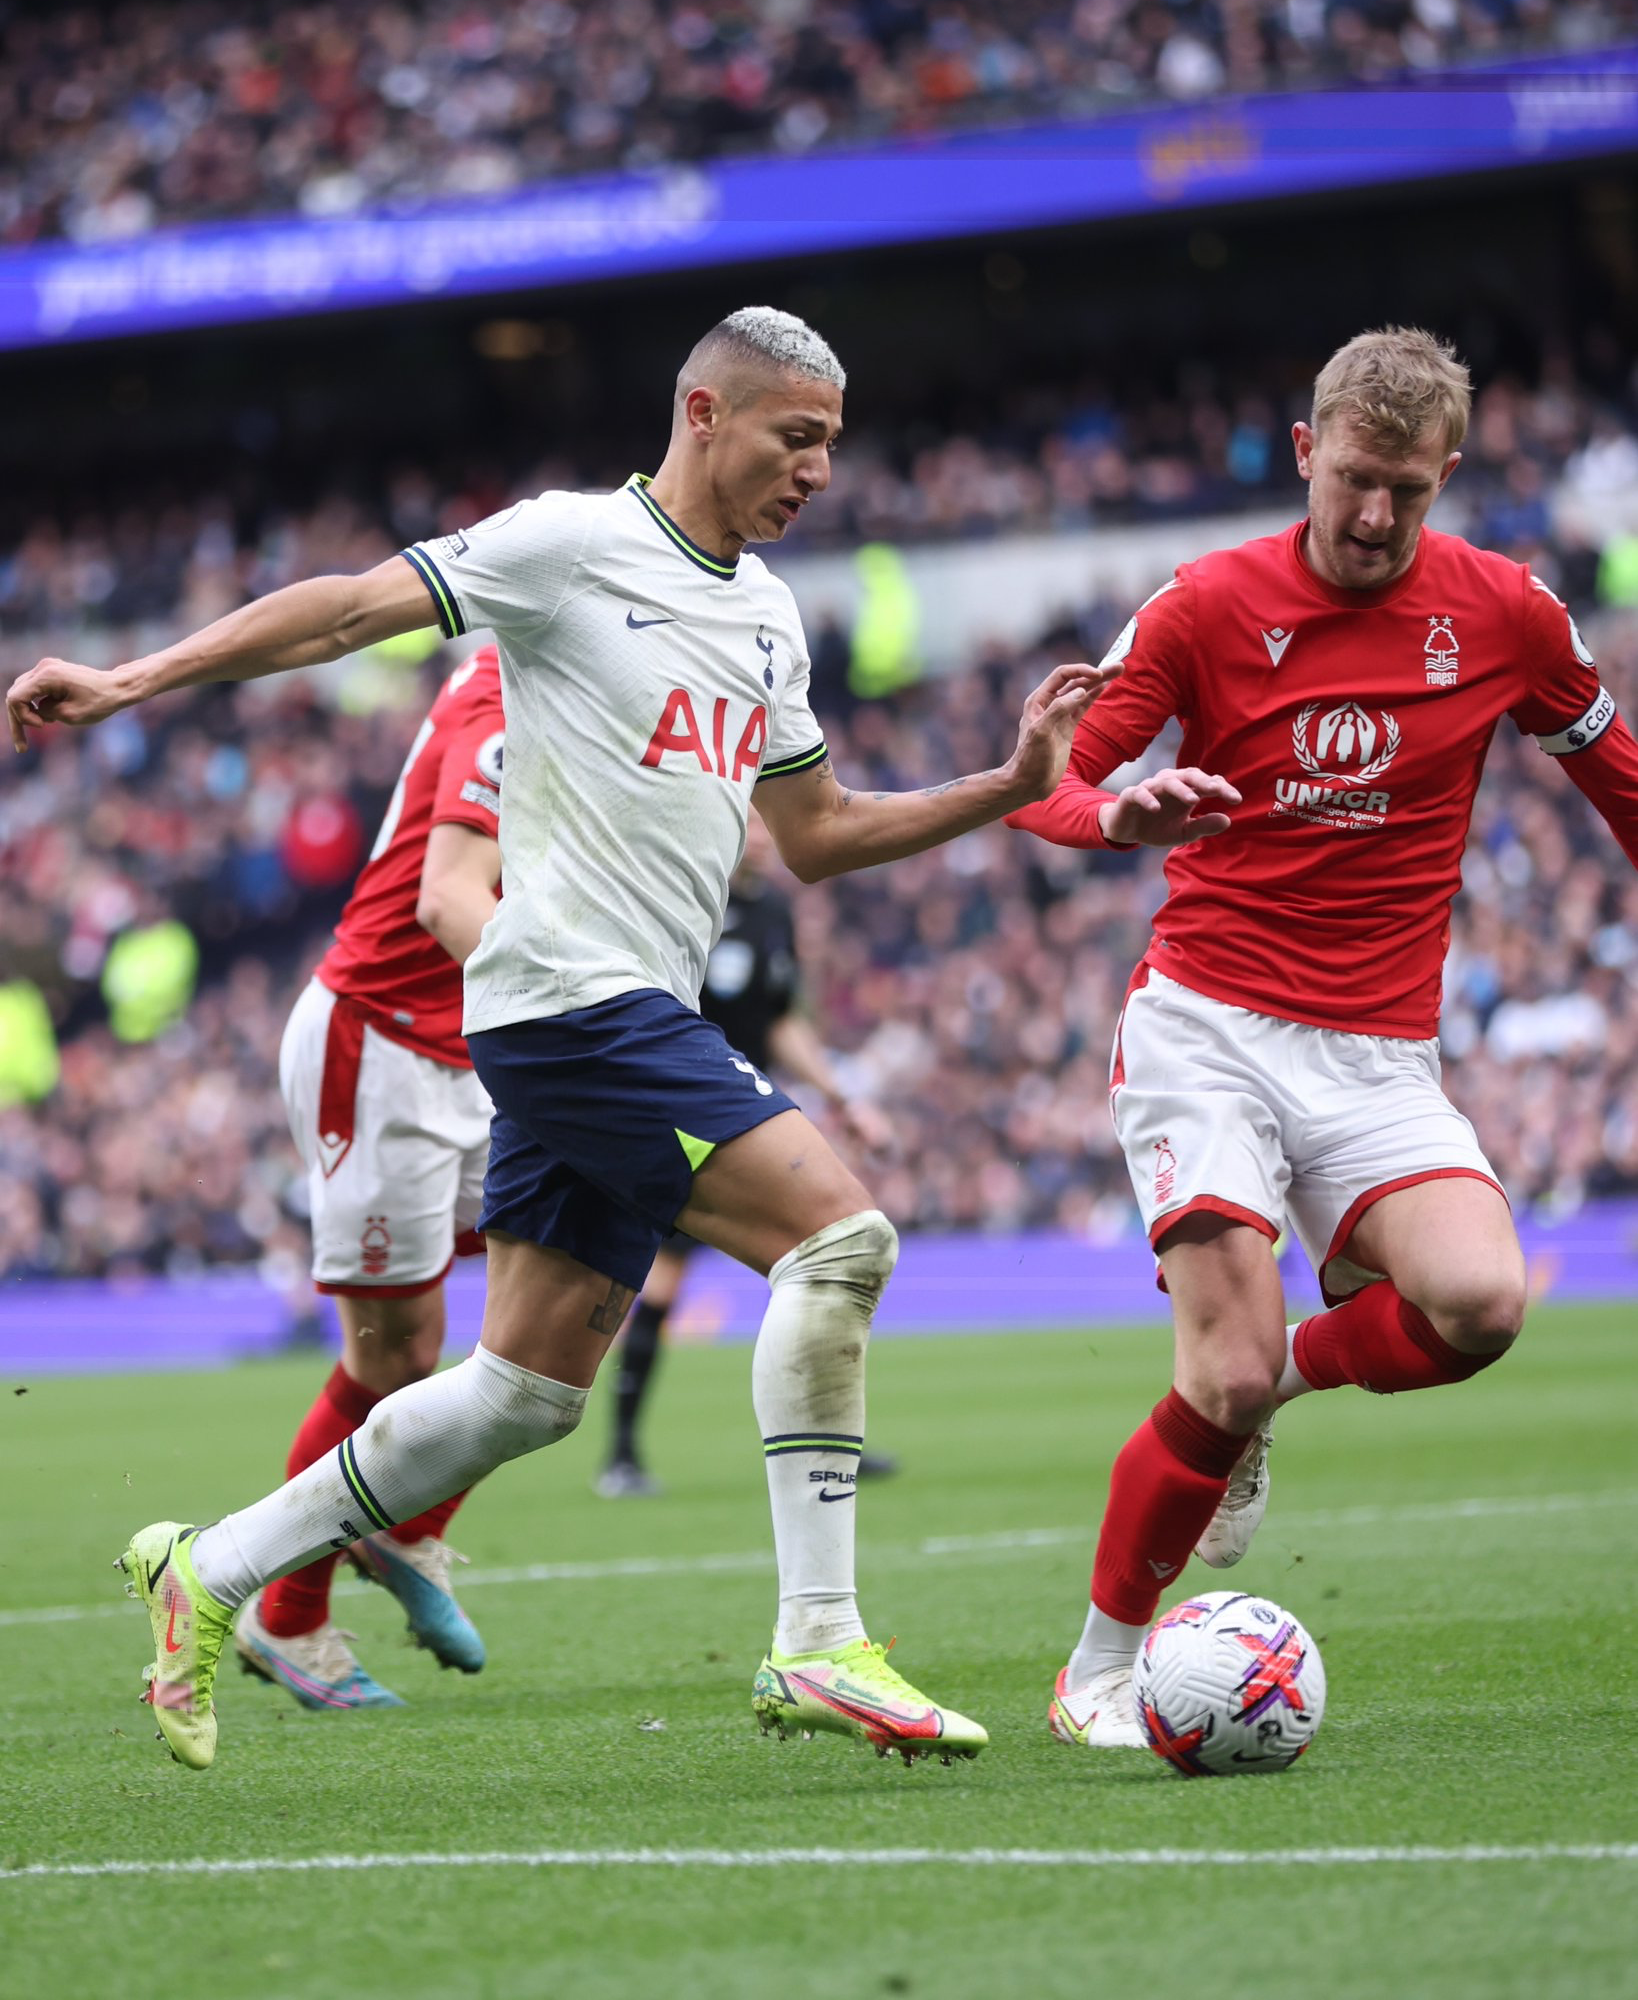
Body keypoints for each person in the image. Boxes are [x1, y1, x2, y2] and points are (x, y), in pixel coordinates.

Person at [9, 305, 1232, 1774]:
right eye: (796, 436)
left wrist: (1007, 779)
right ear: (704, 414)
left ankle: (206, 1568)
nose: (818, 470)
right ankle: (821, 1639)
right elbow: (341, 609)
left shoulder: (767, 614)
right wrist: (129, 679)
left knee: (516, 1391)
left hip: (604, 1016)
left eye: (832, 445)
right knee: (840, 1241)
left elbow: (820, 834)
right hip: (567, 1003)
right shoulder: (567, 546)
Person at [1005, 325, 1638, 1755]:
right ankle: (1094, 1669)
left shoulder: (1508, 615)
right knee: (1209, 1375)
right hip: (1206, 1027)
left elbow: (1615, 773)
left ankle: (1280, 1377)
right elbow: (1041, 782)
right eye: (1352, 478)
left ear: (1445, 475)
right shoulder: (1200, 604)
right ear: (1305, 452)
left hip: (1376, 1053)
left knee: (1479, 1304)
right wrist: (1111, 812)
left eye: (1405, 491)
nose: (1371, 515)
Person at [238, 641, 504, 1710]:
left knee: (590, 1262)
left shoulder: (610, 690)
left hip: (475, 1041)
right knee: (396, 1357)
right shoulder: (509, 694)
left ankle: (409, 1529)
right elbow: (450, 902)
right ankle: (286, 1616)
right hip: (380, 1043)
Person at [597, 811, 896, 1499]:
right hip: (678, 1109)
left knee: (832, 1250)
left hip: (742, 1112)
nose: (763, 835)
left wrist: (840, 1095)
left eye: (769, 823)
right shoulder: (681, 896)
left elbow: (781, 1019)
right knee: (651, 1286)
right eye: (751, 821)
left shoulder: (772, 912)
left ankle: (832, 1442)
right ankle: (619, 1455)